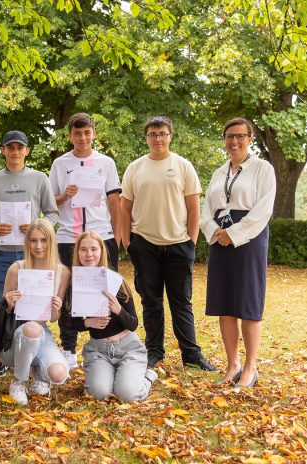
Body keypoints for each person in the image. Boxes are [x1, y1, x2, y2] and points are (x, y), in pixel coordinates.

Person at [120, 115, 216, 371]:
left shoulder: (183, 166)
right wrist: (128, 242)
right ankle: (154, 352)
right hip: (145, 244)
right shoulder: (135, 168)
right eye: (152, 134)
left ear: (170, 135)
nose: (158, 138)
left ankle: (191, 355)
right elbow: (124, 208)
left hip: (178, 245)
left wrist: (191, 243)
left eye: (162, 133)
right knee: (151, 302)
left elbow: (194, 209)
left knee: (181, 302)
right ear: (146, 138)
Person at [0, 130, 59, 376]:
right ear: (3, 151)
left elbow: (53, 214)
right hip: (2, 252)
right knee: (5, 304)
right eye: (9, 147)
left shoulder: (39, 178)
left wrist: (37, 225)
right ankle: (4, 354)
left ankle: (36, 350)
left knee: (35, 303)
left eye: (19, 147)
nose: (15, 152)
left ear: (27, 151)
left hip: (33, 254)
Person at [200, 118, 276, 388]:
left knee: (248, 305)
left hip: (248, 240)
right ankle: (232, 365)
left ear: (250, 138)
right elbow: (206, 209)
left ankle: (251, 368)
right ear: (224, 139)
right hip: (220, 241)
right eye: (229, 136)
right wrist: (215, 232)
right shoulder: (220, 173)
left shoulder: (262, 169)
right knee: (225, 304)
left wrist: (234, 234)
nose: (234, 141)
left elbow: (263, 209)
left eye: (240, 136)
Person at [49, 113, 122, 370]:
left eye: (87, 132)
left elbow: (114, 201)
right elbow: (50, 201)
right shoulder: (60, 164)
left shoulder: (106, 163)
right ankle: (68, 348)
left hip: (101, 236)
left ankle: (104, 342)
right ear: (70, 135)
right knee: (67, 291)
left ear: (93, 133)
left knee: (106, 289)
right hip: (69, 237)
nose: (82, 138)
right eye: (77, 133)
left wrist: (118, 234)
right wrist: (63, 196)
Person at [67, 231, 157, 402]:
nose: (89, 254)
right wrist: (88, 322)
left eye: (94, 249)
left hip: (127, 348)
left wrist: (118, 310)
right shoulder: (75, 284)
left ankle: (147, 377)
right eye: (83, 249)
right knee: (98, 394)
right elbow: (72, 323)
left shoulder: (115, 280)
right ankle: (111, 374)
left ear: (101, 251)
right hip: (99, 350)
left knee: (127, 395)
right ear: (77, 253)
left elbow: (133, 323)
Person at [0, 219, 70, 405]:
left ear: (51, 242)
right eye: (33, 240)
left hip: (42, 331)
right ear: (27, 242)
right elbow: (2, 311)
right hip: (15, 333)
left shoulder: (62, 273)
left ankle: (38, 374)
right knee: (31, 328)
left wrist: (56, 308)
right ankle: (18, 382)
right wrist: (9, 303)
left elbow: (54, 319)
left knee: (59, 375)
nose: (38, 246)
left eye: (43, 240)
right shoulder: (17, 268)